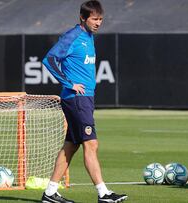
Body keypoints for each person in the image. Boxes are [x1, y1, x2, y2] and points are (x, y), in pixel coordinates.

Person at [41, 1, 128, 203]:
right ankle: (103, 193)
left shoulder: (89, 37)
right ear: (83, 18)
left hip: (85, 98)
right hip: (76, 99)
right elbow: (49, 59)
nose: (98, 23)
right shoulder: (73, 36)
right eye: (94, 19)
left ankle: (50, 193)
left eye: (100, 19)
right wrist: (68, 83)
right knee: (91, 143)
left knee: (71, 146)